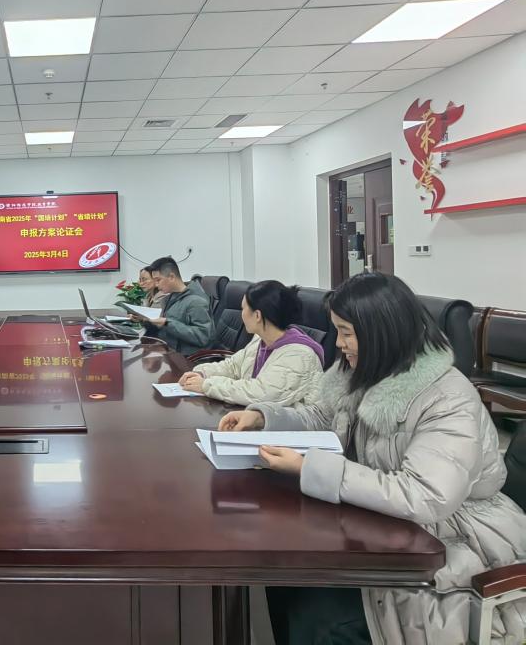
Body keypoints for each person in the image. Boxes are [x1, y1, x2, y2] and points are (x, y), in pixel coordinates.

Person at [218, 273, 526, 645]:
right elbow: (322, 416)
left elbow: (425, 495)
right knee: (284, 576)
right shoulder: (362, 370)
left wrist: (311, 468)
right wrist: (262, 417)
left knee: (318, 616)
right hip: (381, 522)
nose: (339, 343)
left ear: (381, 331)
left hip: (452, 546)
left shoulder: (447, 398)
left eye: (346, 332)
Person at [178, 280, 323, 406]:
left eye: (243, 308)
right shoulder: (260, 340)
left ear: (257, 315)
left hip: (290, 427)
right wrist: (201, 373)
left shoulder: (299, 355)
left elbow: (261, 393)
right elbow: (233, 366)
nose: (241, 314)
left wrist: (206, 385)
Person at [131, 256, 213, 354]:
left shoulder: (196, 301)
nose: (156, 285)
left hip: (185, 358)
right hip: (167, 350)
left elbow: (202, 337)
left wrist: (167, 323)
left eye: (158, 280)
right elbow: (164, 328)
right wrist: (144, 319)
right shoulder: (172, 297)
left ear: (171, 277)